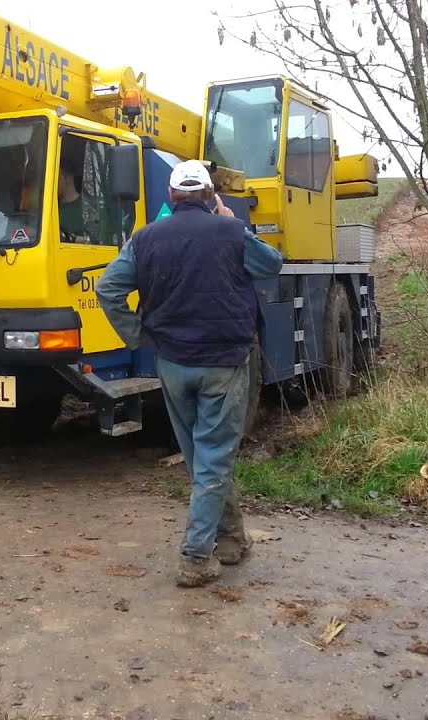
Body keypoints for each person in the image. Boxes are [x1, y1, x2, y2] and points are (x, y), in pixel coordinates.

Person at [95, 159, 283, 588]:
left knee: (204, 458)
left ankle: (231, 539)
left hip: (173, 363)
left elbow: (108, 289)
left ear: (172, 196)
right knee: (213, 458)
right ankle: (196, 556)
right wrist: (231, 221)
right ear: (210, 195)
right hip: (225, 363)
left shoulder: (145, 238)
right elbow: (271, 265)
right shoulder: (231, 231)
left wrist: (137, 334)